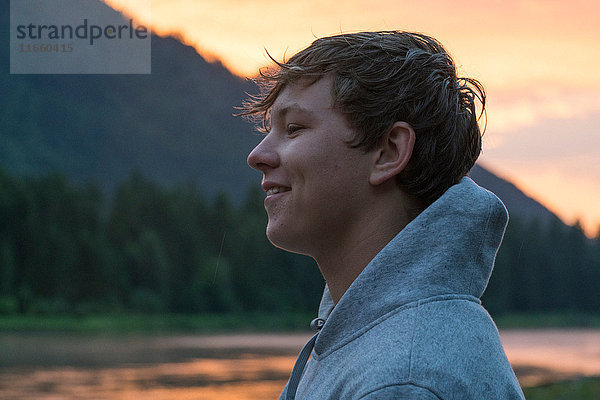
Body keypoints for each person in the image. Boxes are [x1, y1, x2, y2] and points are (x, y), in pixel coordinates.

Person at [241, 31, 525, 399]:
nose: (257, 155)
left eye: (294, 128)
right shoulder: (373, 344)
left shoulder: (404, 381)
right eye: (268, 130)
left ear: (389, 152)